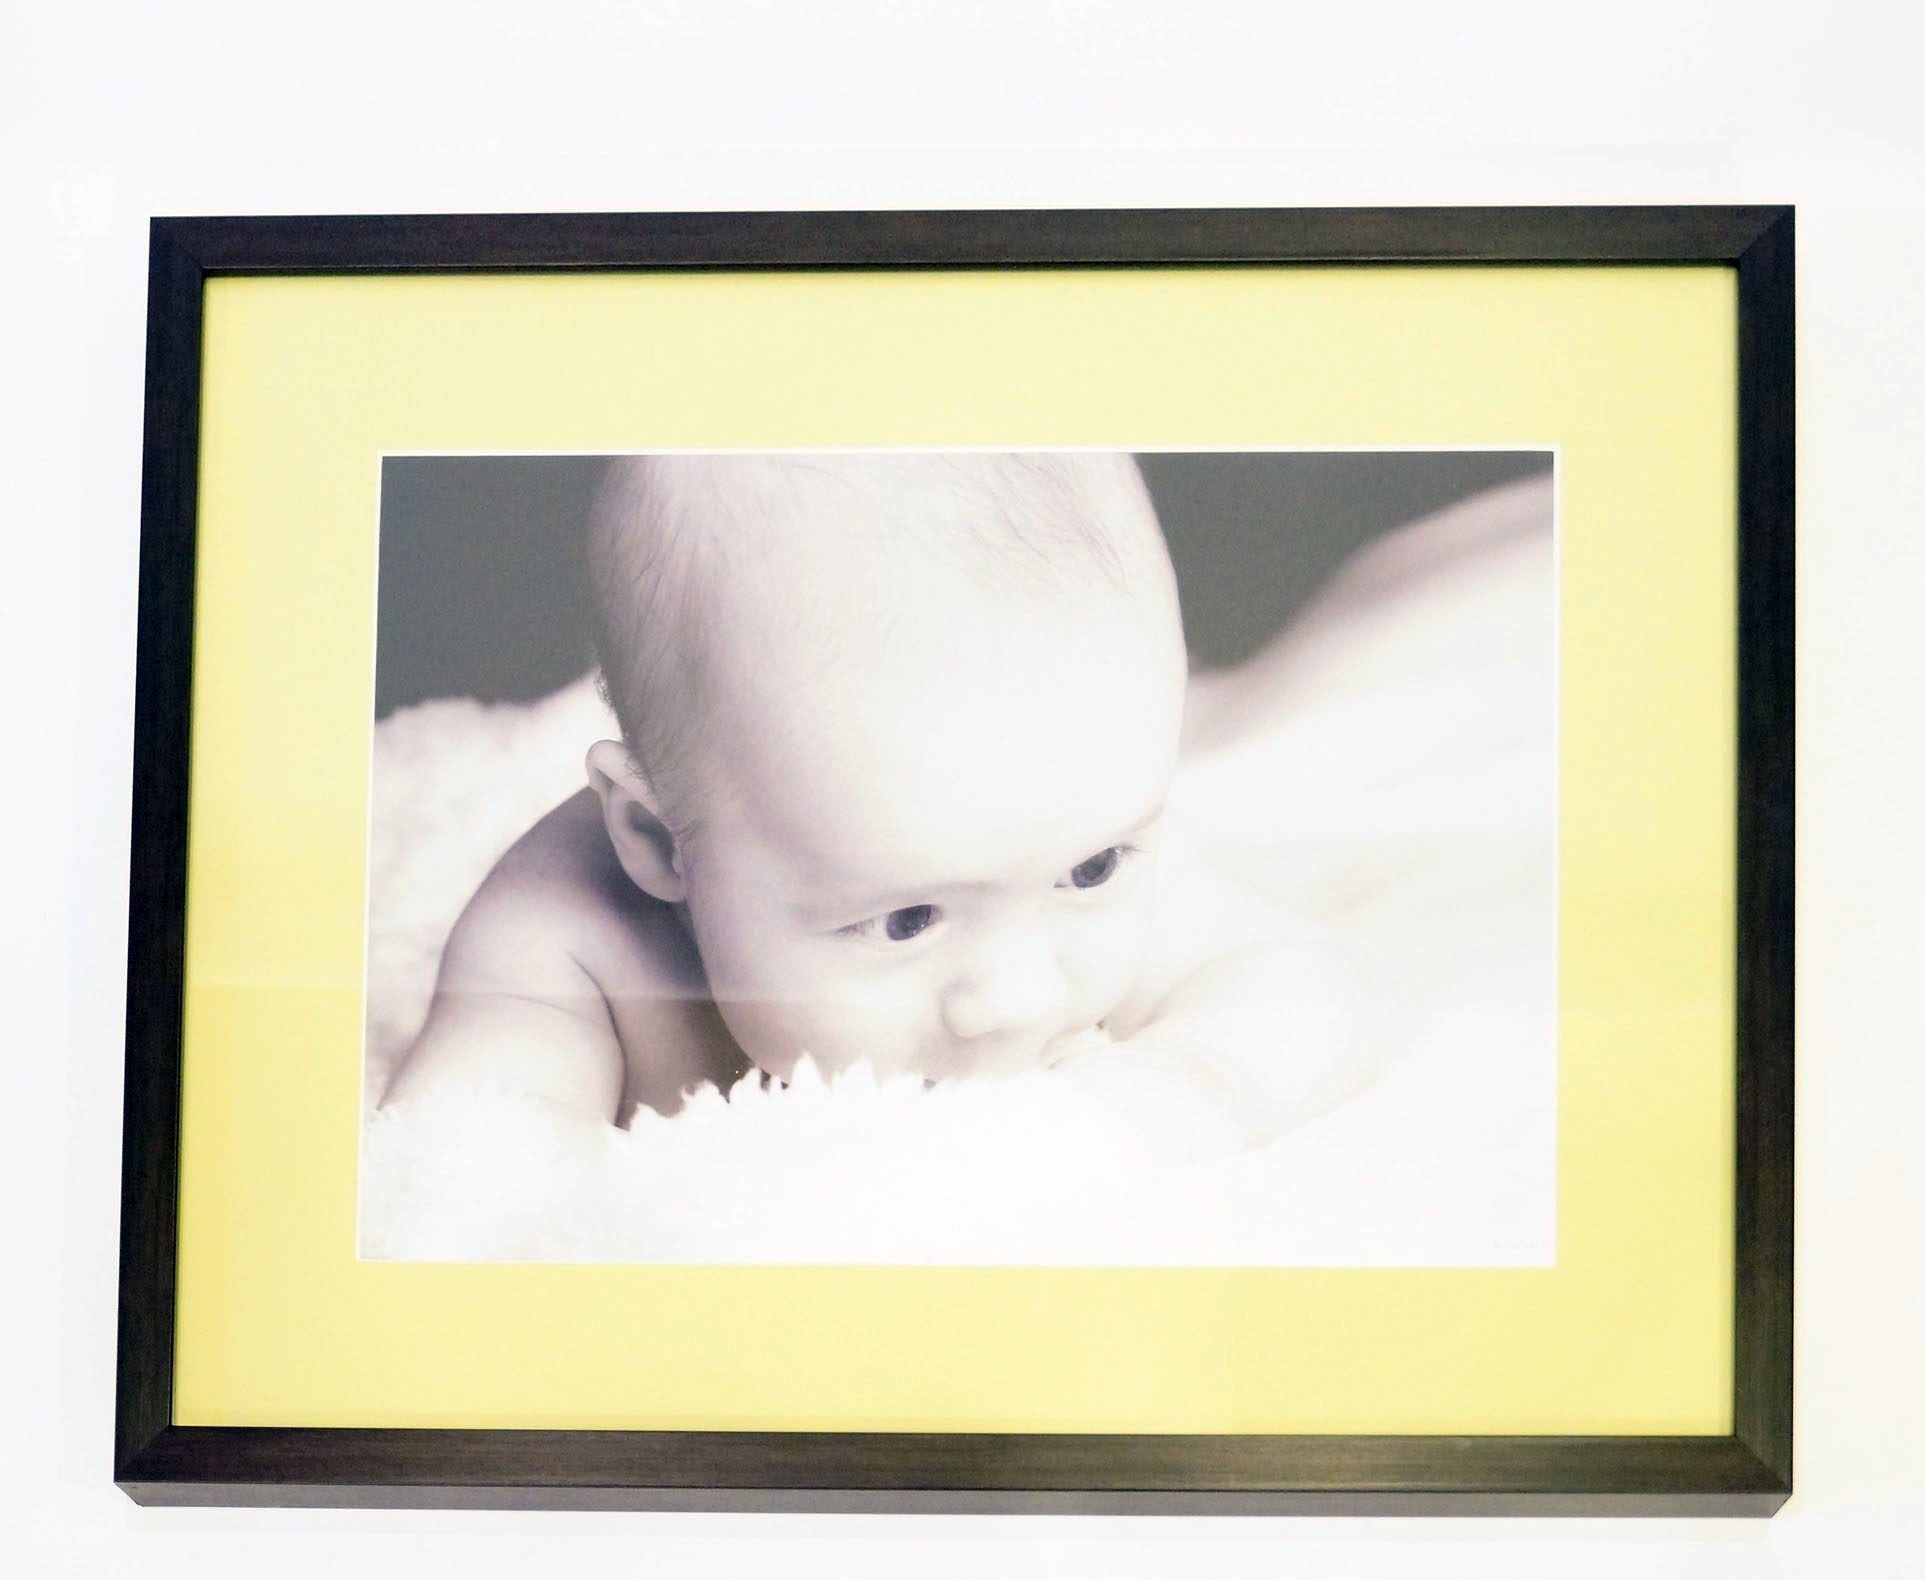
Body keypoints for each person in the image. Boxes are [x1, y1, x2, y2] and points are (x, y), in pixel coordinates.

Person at [380, 452, 1368, 1153]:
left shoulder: (1063, 845)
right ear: (655, 837)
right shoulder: (566, 940)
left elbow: (1300, 992)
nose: (1020, 999)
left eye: (1092, 868)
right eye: (904, 919)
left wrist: (1177, 1092)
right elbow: (470, 1163)